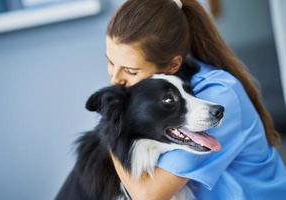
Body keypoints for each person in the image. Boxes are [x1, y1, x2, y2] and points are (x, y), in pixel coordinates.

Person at [105, 0, 286, 199]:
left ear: (173, 65)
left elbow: (149, 195)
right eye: (111, 63)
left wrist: (112, 130)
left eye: (131, 71)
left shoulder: (217, 95)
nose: (115, 79)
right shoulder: (159, 92)